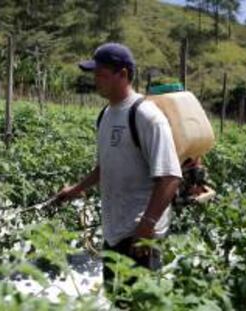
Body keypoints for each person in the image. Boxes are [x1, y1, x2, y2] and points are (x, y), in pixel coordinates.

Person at [56, 42, 182, 292]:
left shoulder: (147, 116)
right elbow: (106, 167)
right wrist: (75, 190)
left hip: (140, 236)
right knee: (117, 300)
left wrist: (147, 226)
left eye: (101, 74)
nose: (96, 80)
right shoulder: (106, 115)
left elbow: (170, 177)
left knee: (139, 303)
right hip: (114, 231)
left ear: (122, 74)